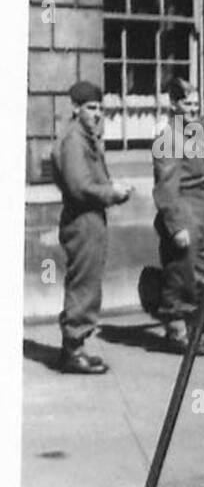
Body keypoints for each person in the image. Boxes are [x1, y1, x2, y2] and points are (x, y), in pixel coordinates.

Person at [49, 80, 133, 374]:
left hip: (91, 217)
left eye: (100, 108)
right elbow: (79, 185)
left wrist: (113, 190)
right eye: (90, 108)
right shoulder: (74, 139)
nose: (97, 113)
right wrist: (113, 192)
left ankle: (77, 346)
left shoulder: (85, 136)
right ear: (76, 108)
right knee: (83, 283)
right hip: (82, 218)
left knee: (88, 280)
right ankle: (72, 350)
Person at [152, 77, 204, 355]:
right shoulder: (168, 136)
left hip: (201, 208)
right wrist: (176, 226)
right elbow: (166, 185)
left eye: (196, 103)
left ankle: (191, 326)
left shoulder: (196, 132)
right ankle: (176, 329)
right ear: (174, 104)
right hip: (182, 208)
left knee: (200, 270)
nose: (193, 108)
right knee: (180, 271)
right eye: (187, 103)